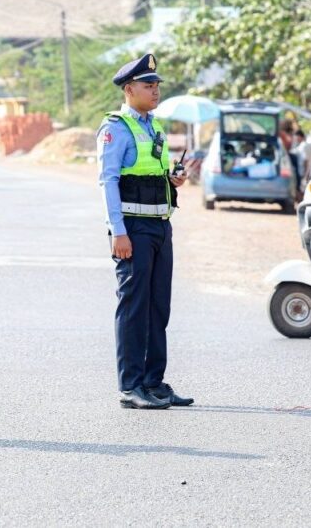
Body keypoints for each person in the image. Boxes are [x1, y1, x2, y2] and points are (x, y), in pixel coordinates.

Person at [96, 53, 193, 410]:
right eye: (148, 84)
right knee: (134, 307)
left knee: (158, 307)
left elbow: (153, 172)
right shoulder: (116, 128)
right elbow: (108, 181)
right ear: (129, 89)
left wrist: (174, 178)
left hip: (160, 226)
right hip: (133, 229)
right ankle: (130, 386)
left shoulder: (155, 127)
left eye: (156, 85)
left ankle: (154, 382)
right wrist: (117, 231)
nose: (155, 90)